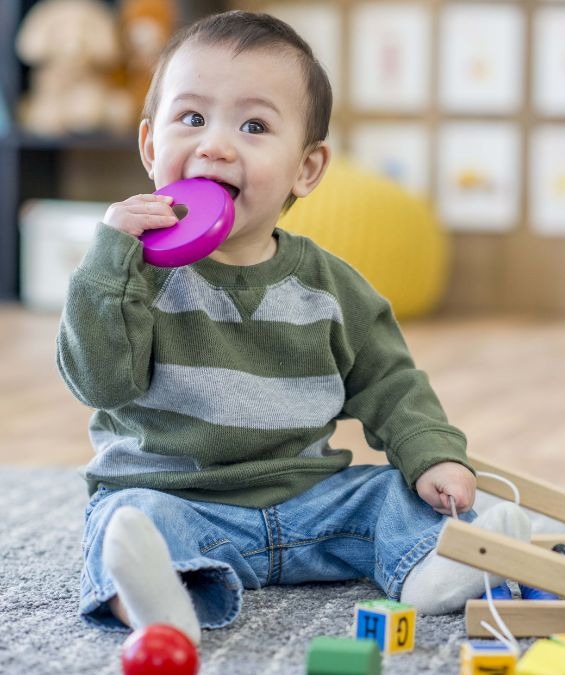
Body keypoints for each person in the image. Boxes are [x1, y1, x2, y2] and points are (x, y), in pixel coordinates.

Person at [57, 10, 529, 644]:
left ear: (306, 169)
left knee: (390, 496)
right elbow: (100, 383)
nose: (215, 145)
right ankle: (158, 599)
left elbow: (390, 383)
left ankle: (441, 563)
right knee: (128, 518)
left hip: (312, 503)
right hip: (178, 497)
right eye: (192, 118)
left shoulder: (331, 287)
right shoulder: (128, 275)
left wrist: (432, 455)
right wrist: (108, 261)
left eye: (253, 126)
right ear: (149, 146)